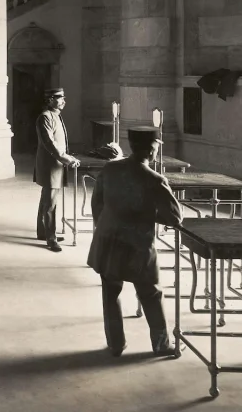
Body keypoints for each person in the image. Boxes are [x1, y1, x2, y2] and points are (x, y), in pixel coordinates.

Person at [87, 127, 183, 357]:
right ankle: (161, 345)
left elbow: (96, 204)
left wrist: (108, 223)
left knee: (110, 292)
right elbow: (175, 218)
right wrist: (148, 215)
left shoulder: (110, 168)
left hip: (108, 240)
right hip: (137, 244)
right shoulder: (155, 179)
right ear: (152, 150)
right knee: (150, 293)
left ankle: (115, 344)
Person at [33, 87, 79, 252]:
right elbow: (49, 143)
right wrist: (65, 158)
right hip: (50, 165)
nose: (63, 101)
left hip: (55, 165)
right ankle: (51, 239)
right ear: (50, 99)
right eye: (60, 98)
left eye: (63, 97)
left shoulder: (55, 116)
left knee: (46, 199)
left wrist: (66, 157)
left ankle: (43, 232)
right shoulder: (45, 117)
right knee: (50, 203)